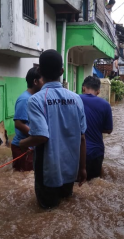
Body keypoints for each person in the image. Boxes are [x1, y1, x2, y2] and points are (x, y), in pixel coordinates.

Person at [19, 49, 87, 209]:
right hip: (70, 169)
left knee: (46, 214)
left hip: (48, 172)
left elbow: (41, 136)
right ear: (62, 71)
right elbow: (82, 138)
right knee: (66, 211)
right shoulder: (76, 99)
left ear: (40, 71)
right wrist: (82, 168)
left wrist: (23, 143)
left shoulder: (35, 100)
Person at [80, 76, 113, 180]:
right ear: (98, 91)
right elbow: (109, 130)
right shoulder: (105, 105)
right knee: (94, 183)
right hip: (96, 152)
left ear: (83, 88)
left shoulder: (74, 100)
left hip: (77, 152)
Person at [11, 67, 43, 171]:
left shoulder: (33, 98)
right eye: (43, 79)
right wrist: (37, 135)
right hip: (22, 147)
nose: (45, 82)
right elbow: (19, 124)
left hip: (30, 145)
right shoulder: (25, 99)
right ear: (35, 81)